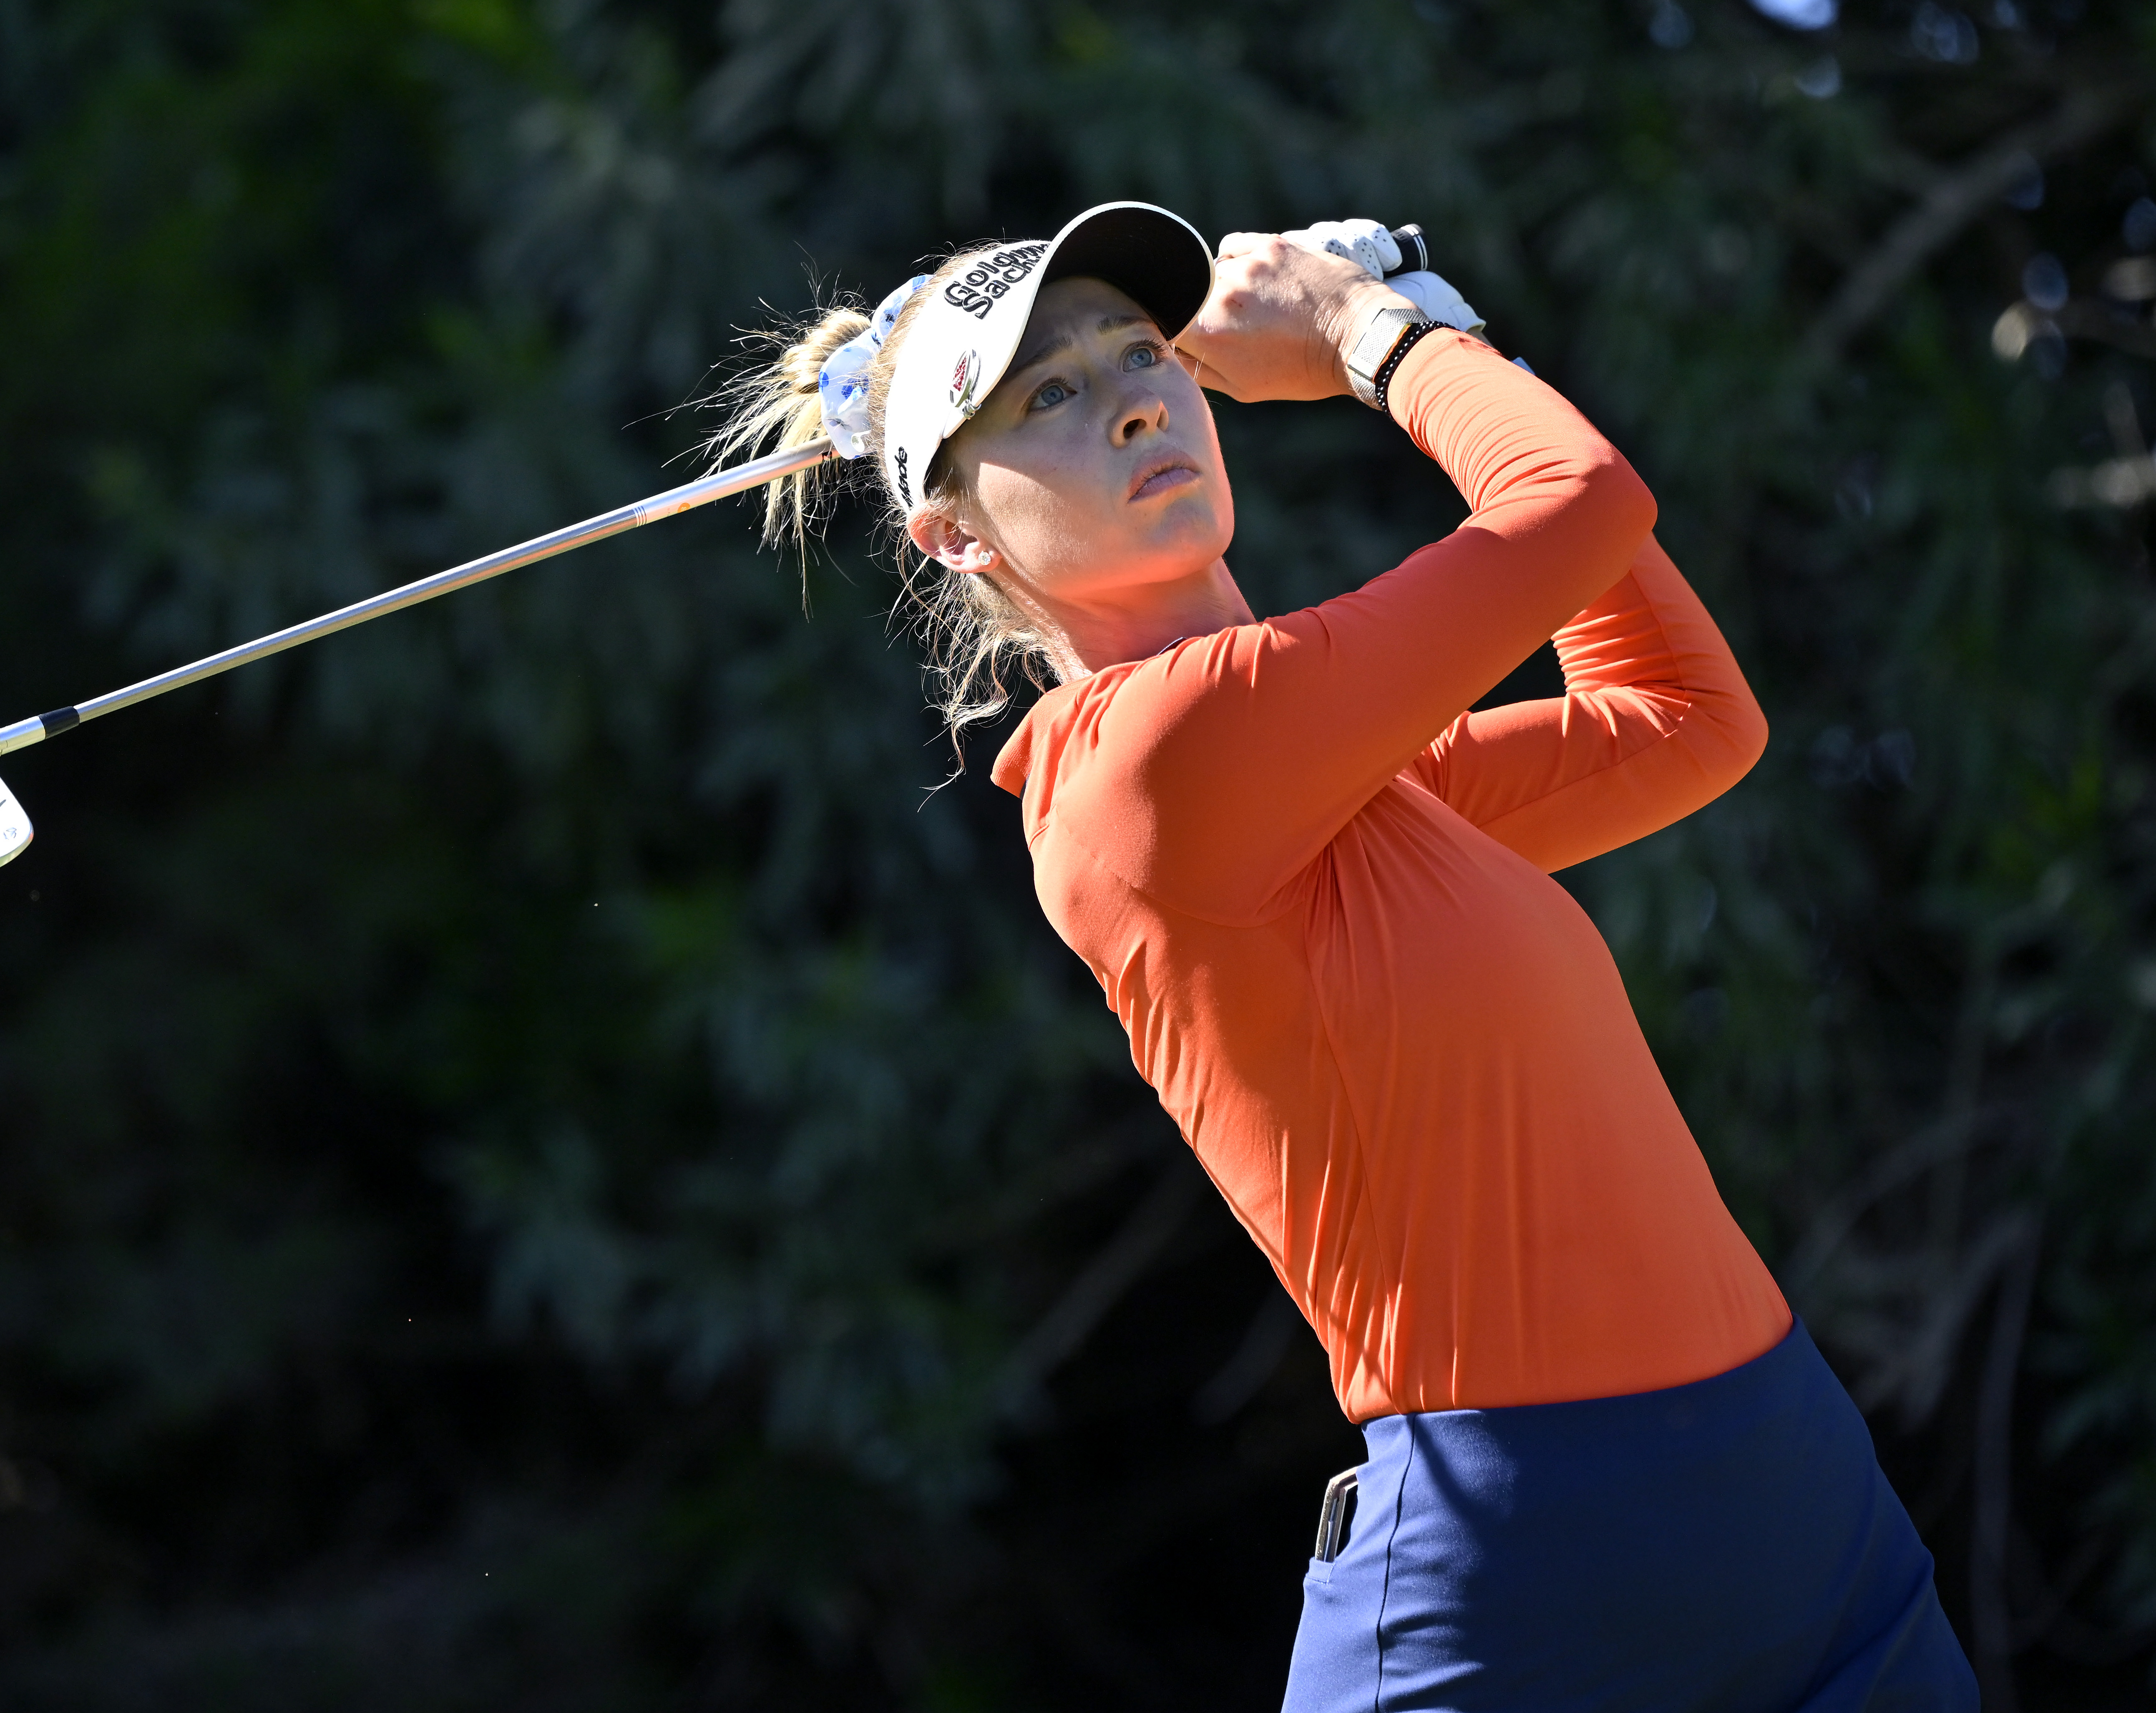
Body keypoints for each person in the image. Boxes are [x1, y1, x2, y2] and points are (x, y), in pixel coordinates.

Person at [720, 202, 1978, 1712]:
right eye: (1046, 395)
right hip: (1530, 1576)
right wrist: (1376, 337)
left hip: (1798, 1503)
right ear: (954, 532)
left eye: (1140, 350)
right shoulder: (1147, 769)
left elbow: (1686, 715)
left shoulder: (1372, 780)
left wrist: (1440, 333)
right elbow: (1574, 495)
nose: (1132, 395)